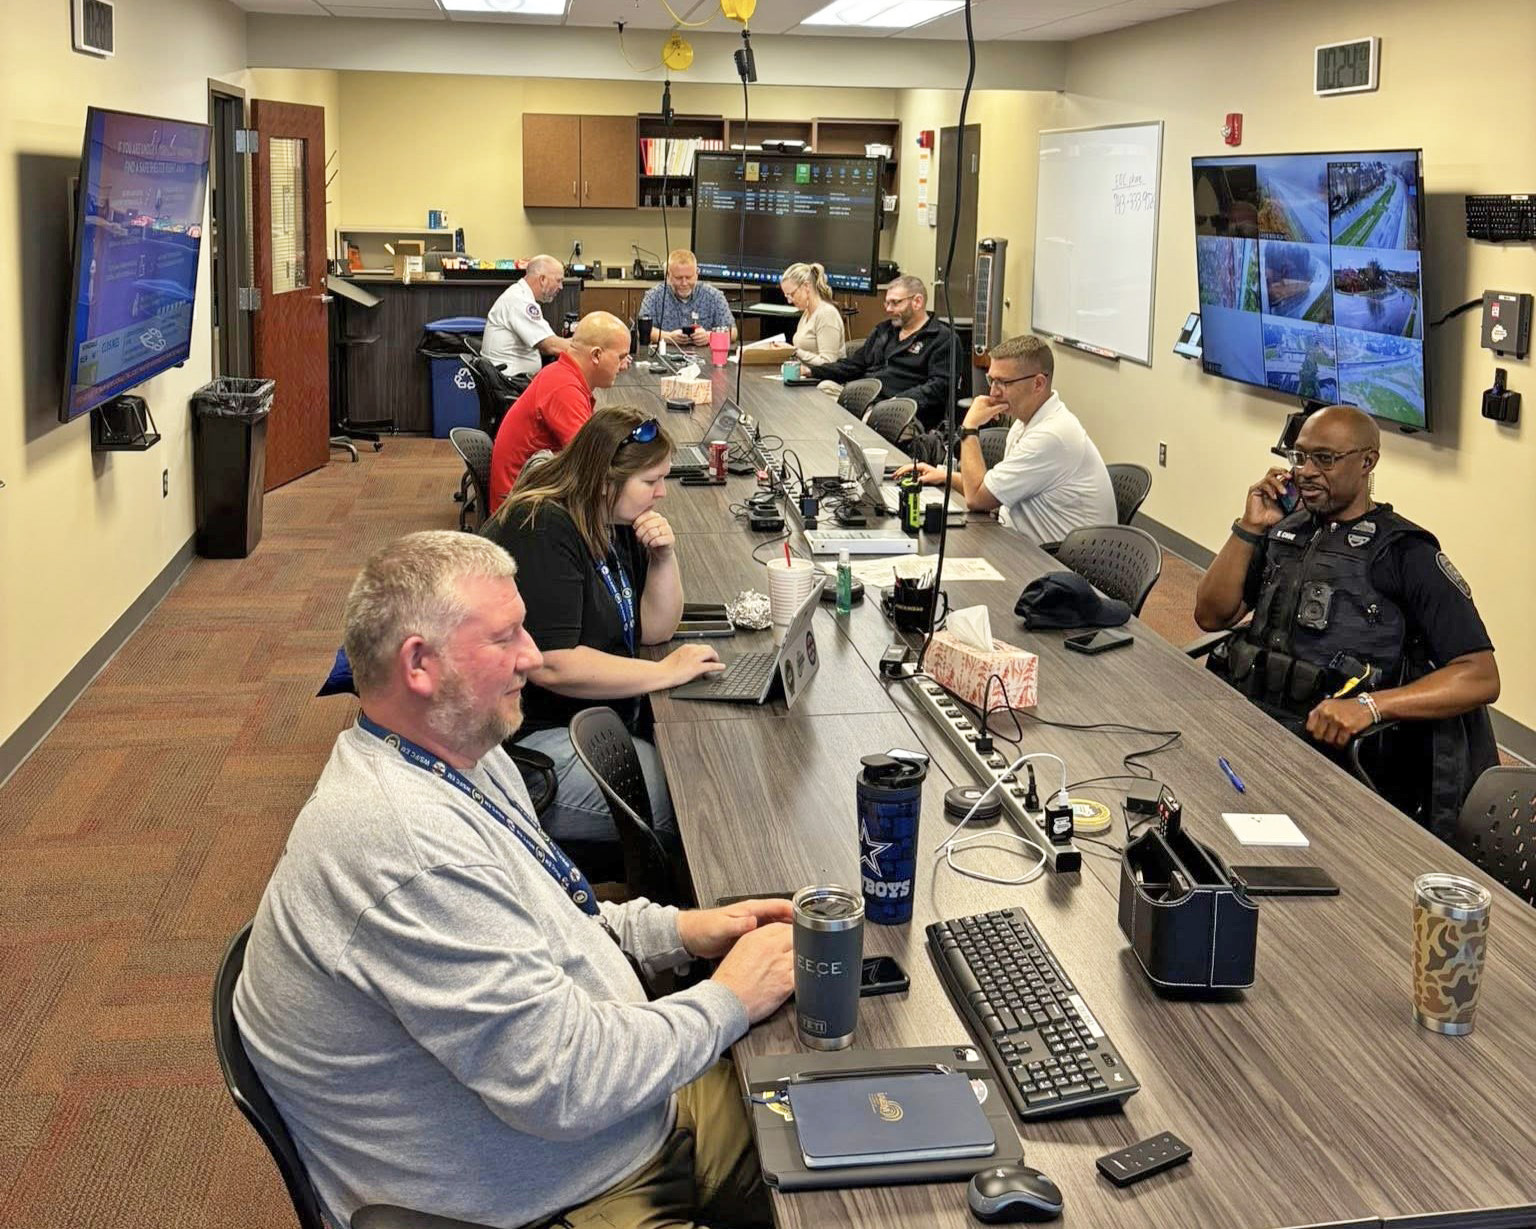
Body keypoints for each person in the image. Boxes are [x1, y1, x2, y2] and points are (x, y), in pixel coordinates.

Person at [233, 529, 794, 1229]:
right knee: (852, 1174)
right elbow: (565, 1084)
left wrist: (678, 930)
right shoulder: (410, 851)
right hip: (560, 1193)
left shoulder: (461, 749)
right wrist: (730, 997)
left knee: (840, 1123)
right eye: (506, 637)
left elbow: (555, 914)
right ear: (420, 664)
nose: (532, 656)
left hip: (621, 1117)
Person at [1194, 404, 1500, 838]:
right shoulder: (1286, 531)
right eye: (1298, 456)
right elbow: (1211, 615)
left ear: (1368, 461)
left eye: (1325, 459)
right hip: (1251, 732)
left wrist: (1369, 706)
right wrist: (1249, 527)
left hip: (1339, 766)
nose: (1306, 472)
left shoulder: (1406, 554)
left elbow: (1480, 676)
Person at [483, 407, 726, 851]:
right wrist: (665, 672)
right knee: (695, 800)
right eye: (650, 482)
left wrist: (664, 558)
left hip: (593, 719)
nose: (661, 493)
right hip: (527, 744)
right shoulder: (541, 526)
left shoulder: (610, 520)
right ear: (603, 480)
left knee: (708, 776)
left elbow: (653, 629)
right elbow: (551, 665)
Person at [894, 335, 1115, 543]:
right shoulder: (1024, 421)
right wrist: (944, 475)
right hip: (1018, 543)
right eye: (992, 380)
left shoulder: (1052, 435)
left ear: (1038, 383)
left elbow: (977, 498)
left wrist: (970, 427)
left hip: (1055, 563)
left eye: (1003, 383)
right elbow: (990, 489)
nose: (993, 392)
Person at [488, 310, 631, 510]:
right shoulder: (565, 389)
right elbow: (591, 464)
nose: (624, 366)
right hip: (522, 510)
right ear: (596, 355)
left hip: (531, 493)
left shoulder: (562, 375)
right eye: (621, 357)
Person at [805, 274, 955, 428]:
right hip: (864, 400)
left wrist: (897, 402)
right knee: (822, 389)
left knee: (841, 420)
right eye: (887, 303)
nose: (889, 309)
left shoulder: (942, 338)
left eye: (895, 303)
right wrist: (811, 372)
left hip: (901, 414)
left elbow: (938, 387)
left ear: (917, 301)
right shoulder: (884, 330)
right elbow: (853, 365)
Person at [480, 253, 569, 381]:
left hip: (510, 379)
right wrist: (585, 347)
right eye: (559, 280)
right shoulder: (520, 301)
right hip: (511, 383)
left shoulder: (520, 295)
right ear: (542, 279)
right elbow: (550, 346)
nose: (561, 287)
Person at [636, 249, 737, 345]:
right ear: (668, 275)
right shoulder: (653, 296)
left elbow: (733, 333)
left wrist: (710, 336)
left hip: (705, 358)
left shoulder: (714, 296)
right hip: (665, 356)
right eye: (678, 278)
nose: (684, 283)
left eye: (689, 277)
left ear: (697, 274)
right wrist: (668, 337)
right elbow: (641, 331)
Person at [771, 260, 846, 365]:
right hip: (805, 374)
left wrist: (794, 351)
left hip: (825, 379)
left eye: (792, 294)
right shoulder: (807, 313)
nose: (789, 301)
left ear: (806, 286)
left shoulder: (827, 314)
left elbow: (829, 362)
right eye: (787, 296)